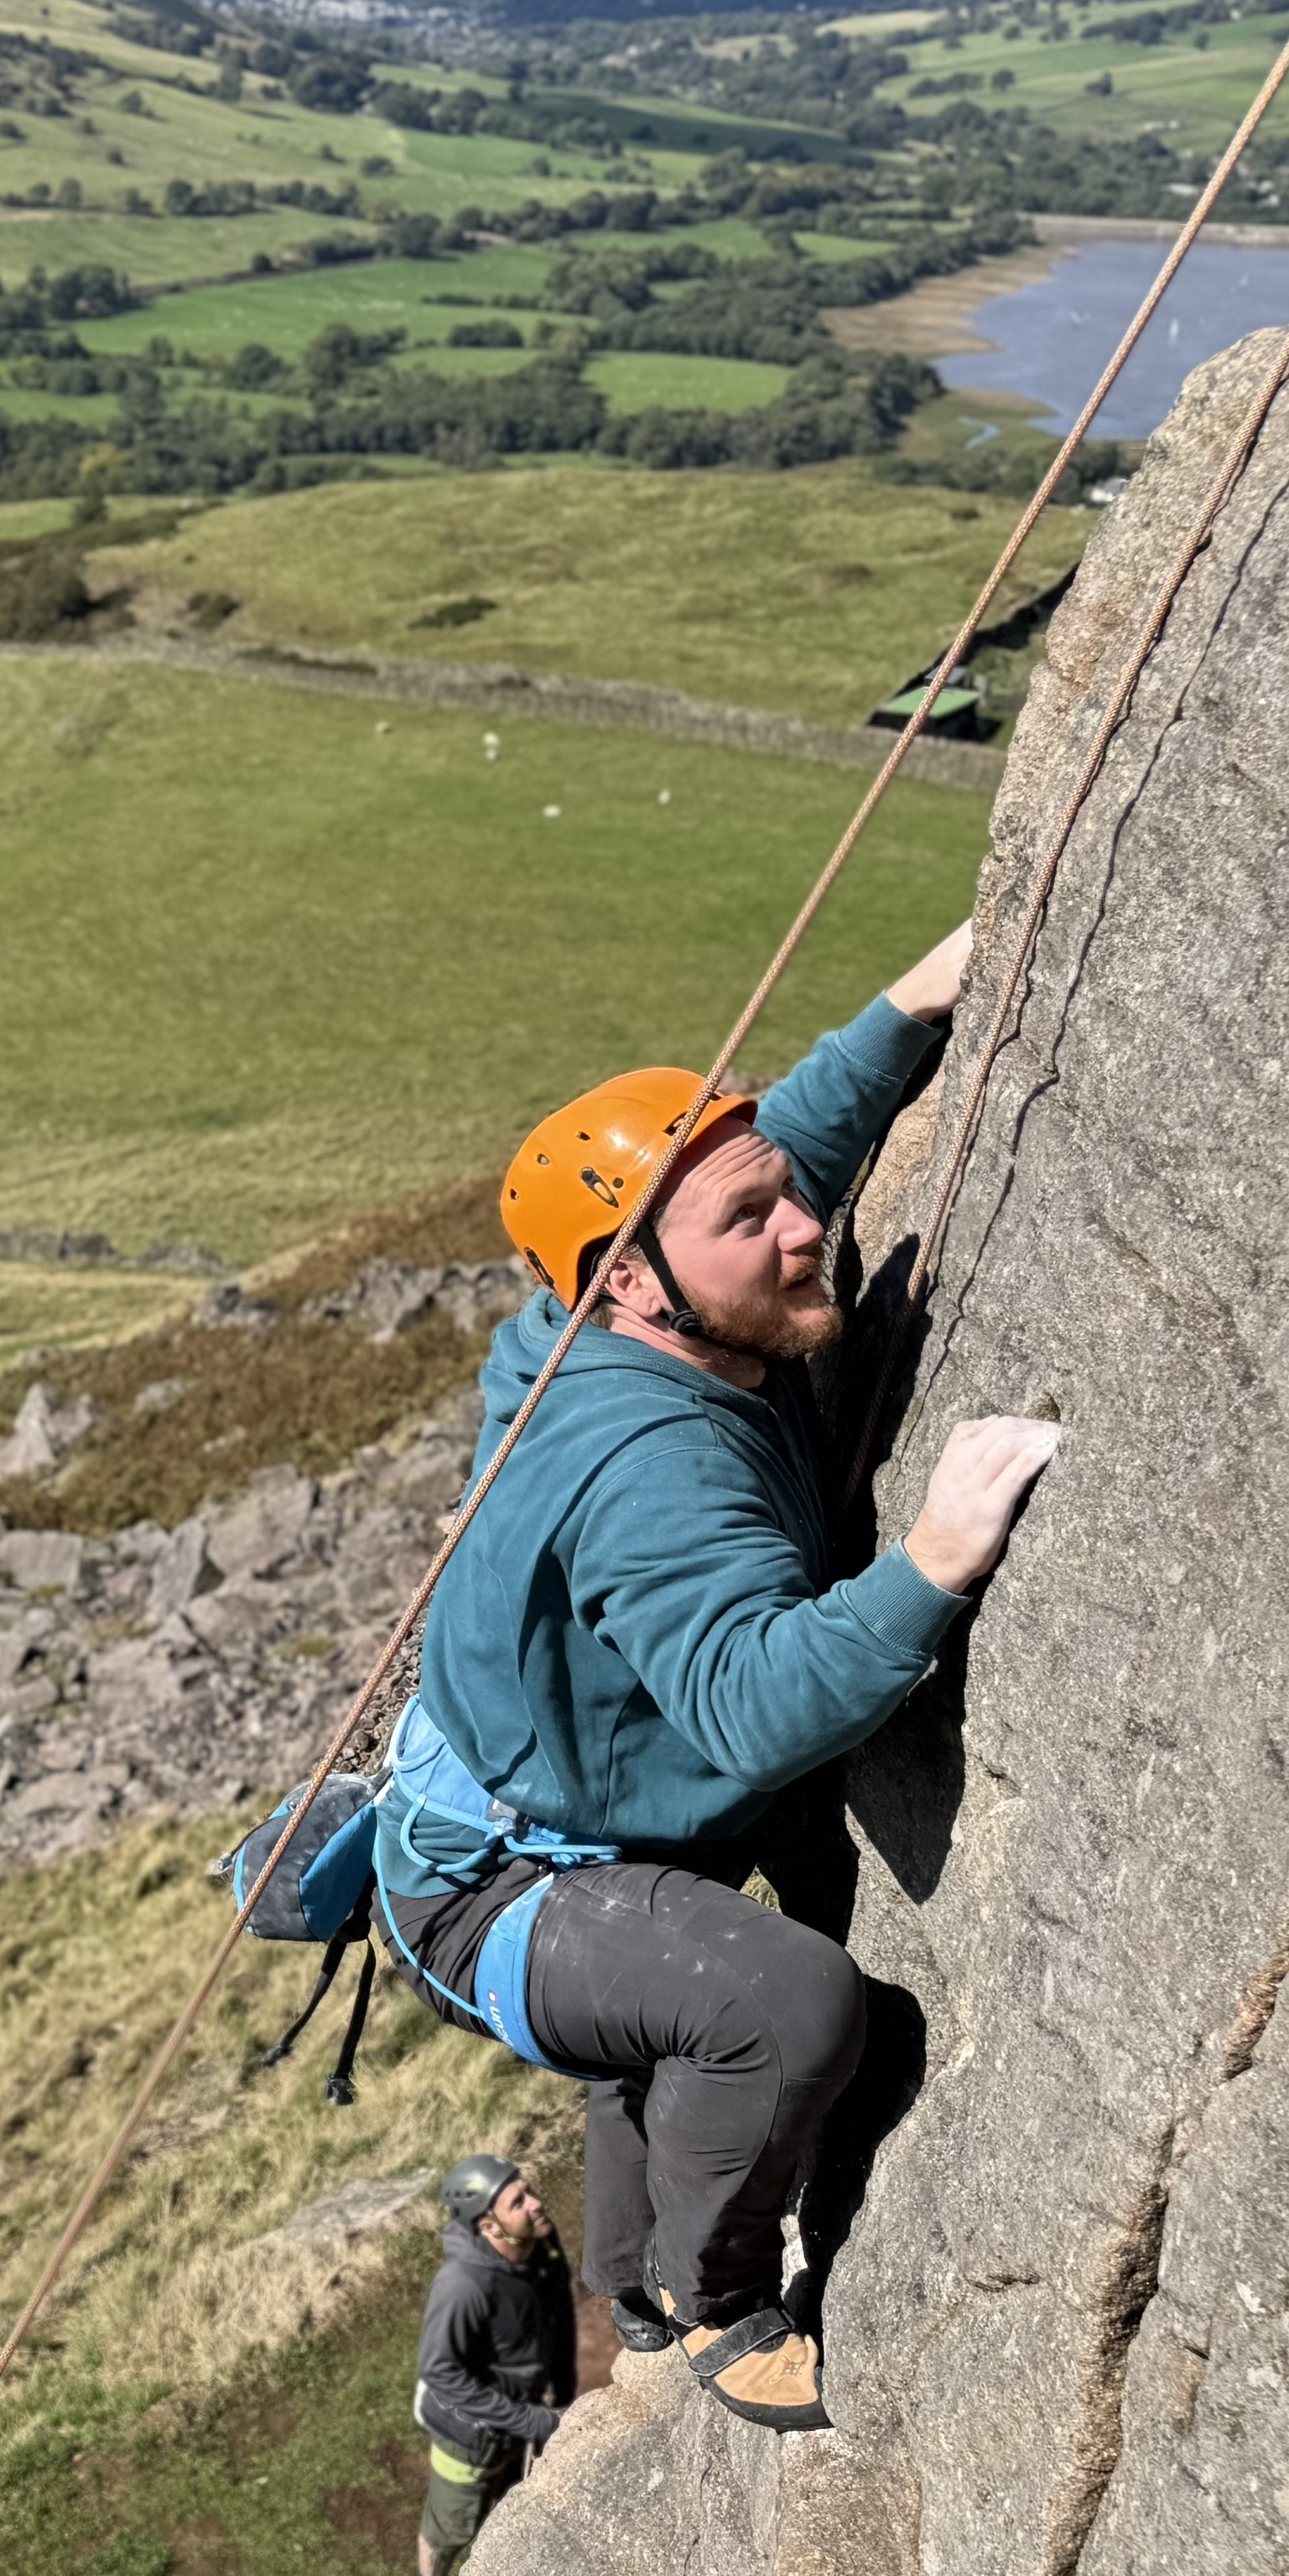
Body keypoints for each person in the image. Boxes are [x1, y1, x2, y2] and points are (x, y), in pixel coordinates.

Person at [374, 924, 1060, 2437]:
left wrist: (909, 1004)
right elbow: (751, 1702)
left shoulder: (622, 1302)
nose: (801, 1224)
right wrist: (929, 1560)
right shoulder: (651, 1462)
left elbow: (761, 1165)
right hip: (497, 1884)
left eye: (780, 1199)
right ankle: (706, 2292)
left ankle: (623, 2276)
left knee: (664, 2014)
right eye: (754, 1218)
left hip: (552, 1818)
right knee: (777, 2002)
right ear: (633, 1280)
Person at [408, 2152, 570, 2576]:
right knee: (453, 2522)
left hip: (513, 2415)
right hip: (468, 2437)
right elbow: (440, 2372)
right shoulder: (463, 2286)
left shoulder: (531, 2245)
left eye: (528, 2191)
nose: (537, 2203)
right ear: (487, 2227)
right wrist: (533, 2421)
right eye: (518, 2200)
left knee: (501, 2500)